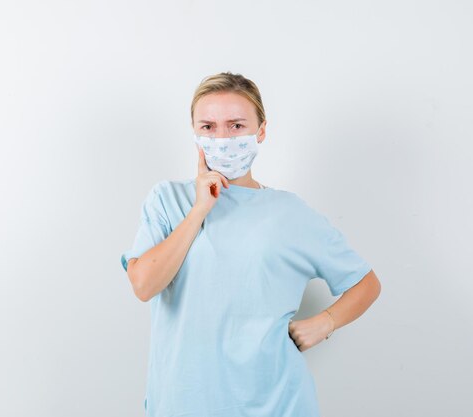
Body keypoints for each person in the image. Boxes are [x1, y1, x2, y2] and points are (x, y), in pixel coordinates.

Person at [120, 72, 381, 417]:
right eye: (209, 127)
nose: (222, 138)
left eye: (236, 125)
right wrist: (200, 209)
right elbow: (143, 285)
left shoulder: (290, 214)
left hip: (276, 404)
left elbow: (366, 283)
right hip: (182, 402)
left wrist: (324, 323)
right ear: (195, 133)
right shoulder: (168, 200)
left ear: (260, 131)